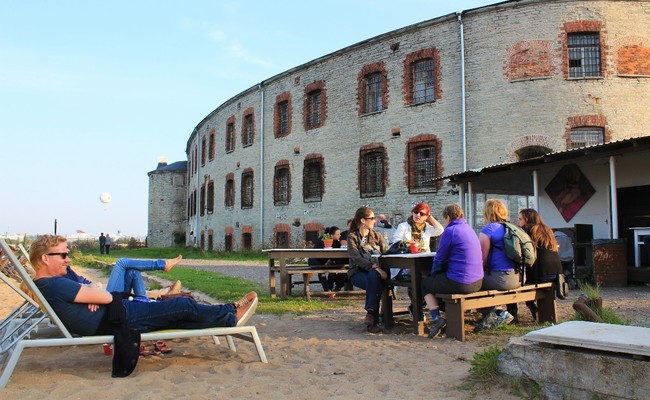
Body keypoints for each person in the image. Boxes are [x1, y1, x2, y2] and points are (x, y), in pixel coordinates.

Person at [29, 234, 258, 337]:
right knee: (182, 306)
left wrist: (91, 295)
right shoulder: (53, 284)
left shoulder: (51, 283)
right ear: (45, 258)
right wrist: (94, 295)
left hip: (113, 315)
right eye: (63, 256)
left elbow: (98, 295)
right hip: (117, 317)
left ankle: (227, 318)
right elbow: (107, 298)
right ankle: (230, 311)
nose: (68, 259)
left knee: (178, 315)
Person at [421, 204, 483, 337]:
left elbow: (440, 258)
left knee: (424, 283)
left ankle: (436, 319)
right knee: (439, 282)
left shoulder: (451, 231)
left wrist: (433, 274)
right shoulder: (469, 229)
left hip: (461, 282)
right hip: (478, 281)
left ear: (448, 217)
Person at [507, 208, 563, 322]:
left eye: (520, 219)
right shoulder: (547, 230)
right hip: (555, 272)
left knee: (512, 284)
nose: (518, 222)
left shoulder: (527, 230)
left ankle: (514, 315)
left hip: (540, 272)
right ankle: (535, 310)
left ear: (527, 220)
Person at [475, 198, 520, 331]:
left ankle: (497, 313)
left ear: (487, 212)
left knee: (471, 284)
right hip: (516, 277)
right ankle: (495, 312)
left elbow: (482, 257)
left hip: (500, 278)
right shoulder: (511, 228)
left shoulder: (488, 230)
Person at [347, 207, 387, 333]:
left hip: (376, 273)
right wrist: (374, 267)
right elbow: (356, 258)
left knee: (373, 278)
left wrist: (378, 269)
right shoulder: (352, 237)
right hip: (358, 273)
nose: (374, 221)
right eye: (372, 218)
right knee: (374, 280)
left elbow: (385, 254)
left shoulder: (377, 236)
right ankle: (374, 317)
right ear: (363, 220)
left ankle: (371, 316)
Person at [390, 202, 444, 280]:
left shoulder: (427, 228)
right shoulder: (403, 226)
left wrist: (430, 217)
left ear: (426, 217)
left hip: (423, 261)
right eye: (416, 212)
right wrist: (410, 244)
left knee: (434, 274)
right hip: (406, 262)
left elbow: (440, 230)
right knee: (420, 277)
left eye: (422, 214)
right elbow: (396, 241)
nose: (418, 215)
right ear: (412, 213)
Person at [307, 226, 348, 293]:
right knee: (321, 272)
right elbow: (317, 253)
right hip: (316, 261)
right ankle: (326, 290)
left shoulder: (337, 243)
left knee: (333, 271)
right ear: (332, 235)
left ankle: (330, 289)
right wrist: (326, 261)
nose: (340, 235)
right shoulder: (322, 240)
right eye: (338, 234)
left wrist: (330, 260)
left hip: (327, 262)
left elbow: (336, 255)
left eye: (340, 234)